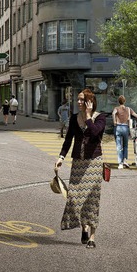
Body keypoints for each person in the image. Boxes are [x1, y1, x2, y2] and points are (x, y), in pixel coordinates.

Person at [55, 88, 106, 249]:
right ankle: (83, 226)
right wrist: (61, 157)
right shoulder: (74, 118)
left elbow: (94, 132)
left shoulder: (100, 117)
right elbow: (68, 139)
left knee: (92, 199)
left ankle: (91, 236)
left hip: (94, 162)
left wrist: (89, 116)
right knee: (74, 197)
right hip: (78, 162)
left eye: (81, 100)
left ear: (90, 102)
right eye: (78, 99)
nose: (78, 102)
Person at [112, 95, 137, 169]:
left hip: (118, 127)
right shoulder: (128, 109)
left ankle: (120, 163)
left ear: (119, 101)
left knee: (119, 146)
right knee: (125, 145)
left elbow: (113, 113)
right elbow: (136, 115)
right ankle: (124, 160)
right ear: (125, 101)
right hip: (125, 128)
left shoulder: (116, 108)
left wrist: (114, 121)